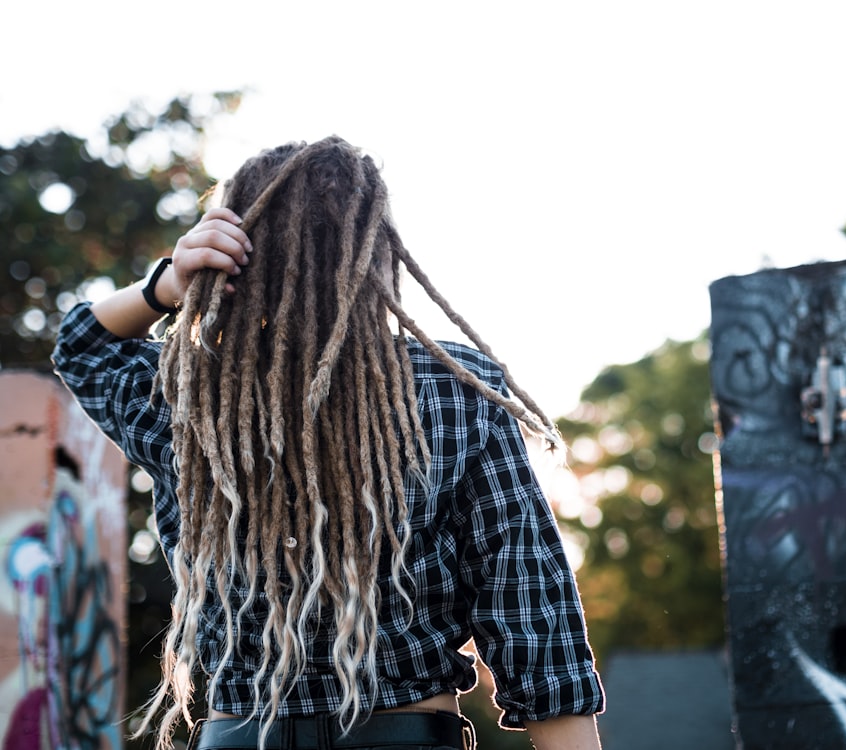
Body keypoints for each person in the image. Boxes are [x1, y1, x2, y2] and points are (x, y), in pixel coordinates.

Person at [52, 136, 604, 750]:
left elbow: (82, 345)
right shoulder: (457, 389)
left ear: (237, 251)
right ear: (373, 251)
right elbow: (531, 610)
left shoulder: (187, 396)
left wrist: (166, 285)